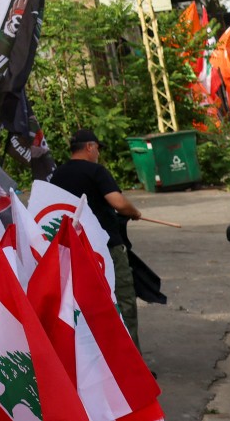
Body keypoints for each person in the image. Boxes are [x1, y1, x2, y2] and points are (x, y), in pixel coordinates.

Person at [49, 129, 145, 342]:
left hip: (75, 250)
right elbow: (118, 203)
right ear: (90, 147)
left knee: (85, 305)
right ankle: (130, 363)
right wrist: (135, 212)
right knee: (122, 299)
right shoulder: (96, 171)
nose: (98, 153)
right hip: (106, 248)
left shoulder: (57, 175)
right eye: (98, 149)